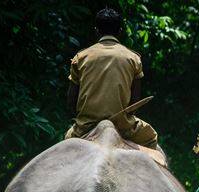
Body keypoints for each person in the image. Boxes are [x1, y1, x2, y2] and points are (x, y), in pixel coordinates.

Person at [65, 7, 158, 148]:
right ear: (120, 31)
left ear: (96, 30)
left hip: (85, 127)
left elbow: (71, 101)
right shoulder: (133, 58)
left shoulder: (81, 57)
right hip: (123, 126)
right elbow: (134, 102)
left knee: (64, 147)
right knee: (152, 138)